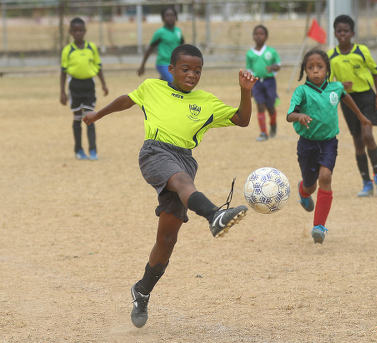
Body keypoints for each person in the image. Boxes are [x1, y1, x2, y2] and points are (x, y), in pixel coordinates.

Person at [83, 44, 257, 328]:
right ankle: (215, 215)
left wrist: (245, 91)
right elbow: (127, 100)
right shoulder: (152, 87)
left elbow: (242, 119)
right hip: (154, 152)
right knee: (181, 181)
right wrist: (97, 115)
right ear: (171, 69)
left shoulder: (206, 101)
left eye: (197, 71)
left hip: (184, 159)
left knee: (167, 240)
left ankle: (141, 290)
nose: (191, 75)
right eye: (185, 69)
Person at [287, 49, 372, 244]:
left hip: (328, 142)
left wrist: (360, 117)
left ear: (327, 69)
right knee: (311, 186)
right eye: (311, 68)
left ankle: (319, 227)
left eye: (320, 67)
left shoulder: (335, 88)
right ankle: (303, 190)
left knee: (325, 176)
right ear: (305, 70)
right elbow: (290, 114)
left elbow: (345, 96)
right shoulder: (302, 91)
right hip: (307, 144)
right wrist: (299, 116)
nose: (315, 71)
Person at [327, 15, 377, 197]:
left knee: (368, 135)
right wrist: (339, 86)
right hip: (347, 100)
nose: (343, 34)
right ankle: (366, 183)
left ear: (352, 33)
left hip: (367, 98)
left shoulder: (361, 51)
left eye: (346, 31)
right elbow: (329, 84)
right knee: (358, 142)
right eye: (339, 31)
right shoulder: (331, 56)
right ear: (335, 33)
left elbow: (375, 72)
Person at [60, 17, 108, 160]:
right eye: (75, 30)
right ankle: (78, 150)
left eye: (81, 30)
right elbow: (63, 71)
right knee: (76, 118)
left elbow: (98, 67)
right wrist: (62, 91)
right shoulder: (67, 50)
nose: (78, 33)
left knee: (90, 117)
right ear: (70, 32)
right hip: (74, 86)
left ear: (85, 31)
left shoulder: (91, 48)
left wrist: (104, 84)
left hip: (89, 86)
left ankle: (93, 150)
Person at [246, 25, 281, 141]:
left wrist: (273, 67)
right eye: (256, 34)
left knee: (270, 106)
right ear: (253, 36)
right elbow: (249, 70)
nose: (258, 36)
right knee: (260, 106)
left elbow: (278, 65)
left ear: (266, 36)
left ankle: (273, 124)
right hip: (256, 83)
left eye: (261, 34)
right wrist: (249, 86)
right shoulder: (250, 54)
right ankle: (263, 133)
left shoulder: (271, 51)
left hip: (269, 81)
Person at [137, 6, 184, 82]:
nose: (170, 18)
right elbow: (150, 49)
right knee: (174, 83)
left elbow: (183, 48)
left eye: (172, 15)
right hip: (163, 64)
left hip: (175, 64)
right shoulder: (160, 32)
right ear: (163, 18)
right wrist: (142, 66)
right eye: (167, 15)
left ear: (176, 17)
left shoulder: (178, 31)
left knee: (163, 84)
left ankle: (152, 91)